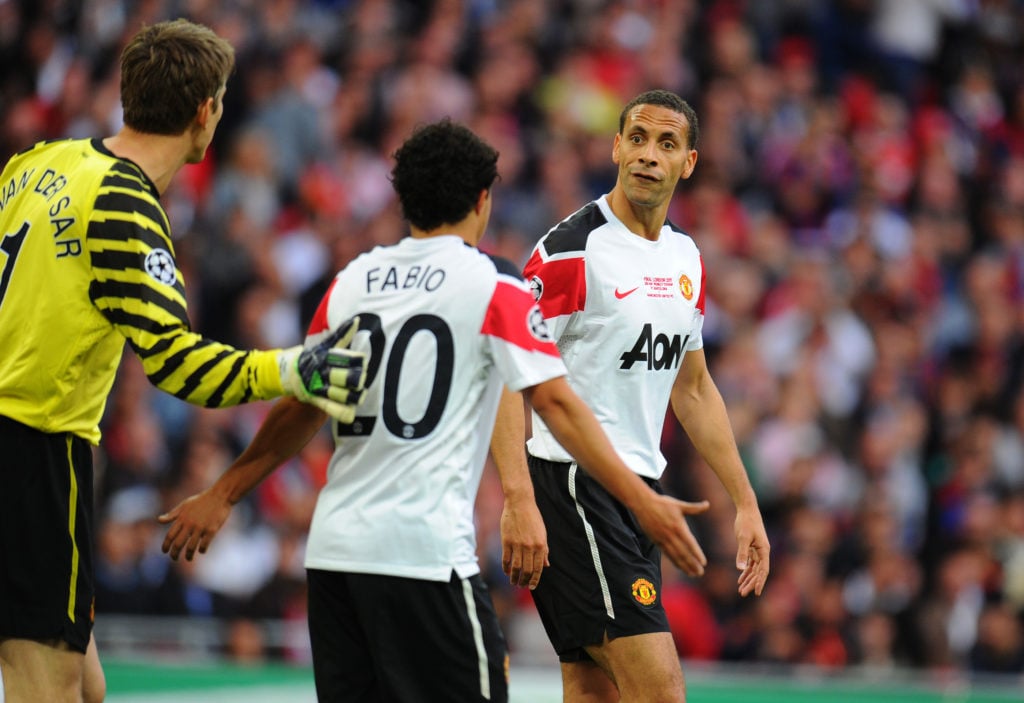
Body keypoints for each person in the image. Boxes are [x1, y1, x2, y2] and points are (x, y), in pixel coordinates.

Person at [159, 119, 714, 703]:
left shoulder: (352, 283)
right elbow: (552, 399)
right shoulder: (495, 284)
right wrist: (642, 498)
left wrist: (223, 494)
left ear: (404, 200)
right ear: (482, 200)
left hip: (335, 557)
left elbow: (302, 406)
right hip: (426, 557)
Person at [0, 20, 366, 703]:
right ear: (206, 113)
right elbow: (178, 367)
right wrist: (296, 368)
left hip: (21, 442)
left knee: (86, 689)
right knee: (42, 691)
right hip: (36, 454)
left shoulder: (38, 161)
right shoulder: (126, 205)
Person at [519, 89, 771, 701]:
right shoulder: (568, 252)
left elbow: (693, 386)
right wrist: (515, 497)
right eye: (636, 139)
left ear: (688, 162)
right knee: (661, 693)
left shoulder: (686, 256)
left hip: (638, 493)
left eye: (665, 144)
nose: (647, 156)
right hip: (574, 487)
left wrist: (745, 501)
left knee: (592, 690)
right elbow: (507, 371)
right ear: (615, 147)